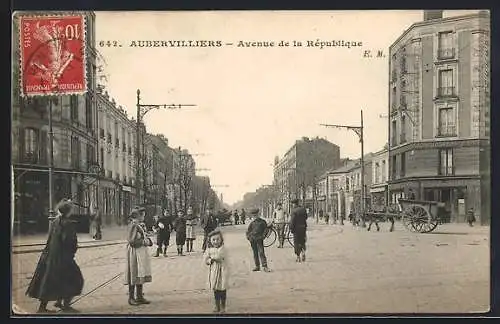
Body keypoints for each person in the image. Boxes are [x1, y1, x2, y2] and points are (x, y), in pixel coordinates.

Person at [26, 199, 84, 313]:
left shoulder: (55, 222)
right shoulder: (67, 224)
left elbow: (50, 240)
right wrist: (74, 249)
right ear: (69, 211)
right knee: (76, 279)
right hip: (63, 258)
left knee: (49, 280)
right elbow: (69, 241)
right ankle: (65, 305)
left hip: (51, 256)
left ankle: (48, 305)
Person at [123, 206, 153, 306]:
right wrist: (144, 242)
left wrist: (147, 240)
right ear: (137, 216)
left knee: (140, 272)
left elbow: (143, 236)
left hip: (141, 252)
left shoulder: (139, 225)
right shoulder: (133, 226)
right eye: (142, 215)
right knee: (134, 272)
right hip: (134, 253)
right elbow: (132, 241)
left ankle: (139, 296)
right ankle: (131, 298)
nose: (143, 217)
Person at [203, 229, 229, 313]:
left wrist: (212, 258)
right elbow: (205, 259)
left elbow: (220, 256)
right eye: (213, 240)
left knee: (222, 289)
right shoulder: (209, 250)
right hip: (214, 271)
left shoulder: (223, 248)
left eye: (218, 239)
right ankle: (217, 305)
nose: (216, 241)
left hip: (222, 271)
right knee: (215, 289)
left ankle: (223, 306)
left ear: (221, 239)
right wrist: (209, 260)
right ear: (210, 241)